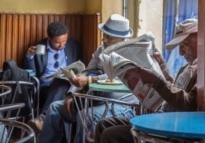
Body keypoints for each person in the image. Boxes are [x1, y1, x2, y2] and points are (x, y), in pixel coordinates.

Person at [94, 18, 198, 143]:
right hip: (160, 116)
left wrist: (156, 81)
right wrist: (161, 65)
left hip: (170, 126)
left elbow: (190, 104)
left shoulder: (203, 71)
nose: (181, 53)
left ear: (200, 39)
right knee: (103, 124)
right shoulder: (186, 68)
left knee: (109, 134)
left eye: (184, 45)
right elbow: (174, 86)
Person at [39, 14, 138, 143]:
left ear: (121, 38)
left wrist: (90, 80)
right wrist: (70, 94)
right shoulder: (101, 50)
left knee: (84, 116)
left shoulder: (130, 54)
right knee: (55, 108)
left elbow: (116, 76)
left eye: (109, 37)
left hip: (119, 105)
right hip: (94, 99)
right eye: (104, 34)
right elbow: (86, 72)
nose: (104, 39)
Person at [24, 21, 82, 132]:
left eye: (64, 41)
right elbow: (31, 72)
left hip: (69, 86)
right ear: (49, 39)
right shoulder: (39, 48)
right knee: (60, 85)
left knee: (61, 83)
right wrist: (29, 57)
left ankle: (42, 119)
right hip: (45, 88)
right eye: (57, 42)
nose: (62, 45)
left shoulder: (74, 46)